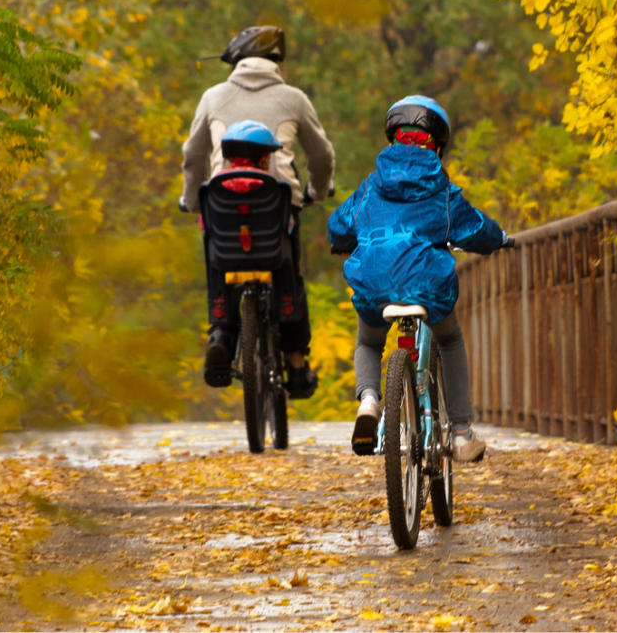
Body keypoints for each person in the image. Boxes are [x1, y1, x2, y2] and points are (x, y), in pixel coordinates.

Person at [327, 96, 509, 462]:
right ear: (437, 147)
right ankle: (460, 433)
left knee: (368, 342)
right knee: (450, 339)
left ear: (392, 138)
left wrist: (344, 242)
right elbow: (474, 228)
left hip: (373, 285)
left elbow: (338, 225)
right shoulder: (441, 190)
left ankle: (368, 400)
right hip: (427, 286)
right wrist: (500, 238)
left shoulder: (370, 186)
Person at [180, 26, 335, 398]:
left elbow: (193, 155)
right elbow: (321, 154)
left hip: (222, 201)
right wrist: (315, 190)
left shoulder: (213, 96)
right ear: (274, 63)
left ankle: (220, 332)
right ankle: (296, 366)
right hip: (278, 203)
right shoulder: (294, 98)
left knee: (219, 261)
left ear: (236, 59)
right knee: (288, 275)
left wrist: (193, 198)